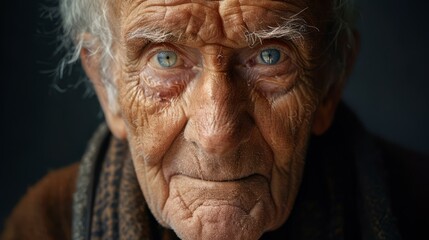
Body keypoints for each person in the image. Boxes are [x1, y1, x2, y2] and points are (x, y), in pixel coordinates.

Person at [1, 0, 427, 239]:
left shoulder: (417, 208)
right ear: (105, 82)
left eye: (269, 56)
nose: (217, 134)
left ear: (330, 82)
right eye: (165, 58)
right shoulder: (45, 225)